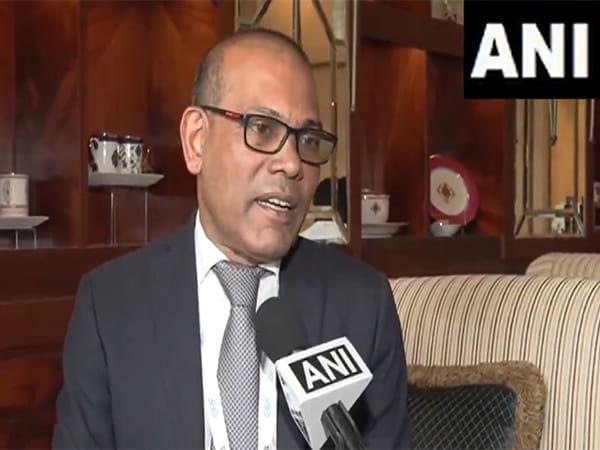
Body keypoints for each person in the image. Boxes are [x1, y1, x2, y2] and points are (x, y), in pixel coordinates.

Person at [52, 28, 413, 449]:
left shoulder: (363, 305)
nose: (292, 164)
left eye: (308, 140)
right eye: (262, 128)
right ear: (196, 140)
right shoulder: (110, 306)